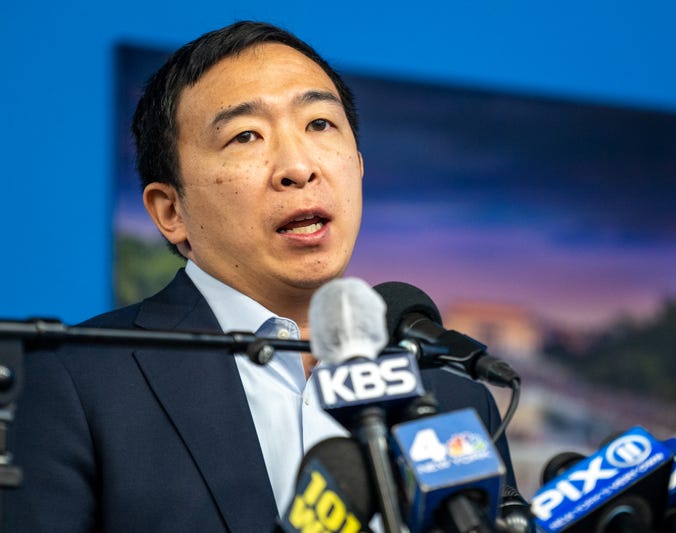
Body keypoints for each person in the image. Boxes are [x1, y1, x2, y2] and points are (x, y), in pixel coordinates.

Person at [3, 21, 516, 532]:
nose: (297, 166)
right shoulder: (71, 381)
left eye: (319, 124)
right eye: (246, 135)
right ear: (169, 211)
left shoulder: (453, 397)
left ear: (358, 166)